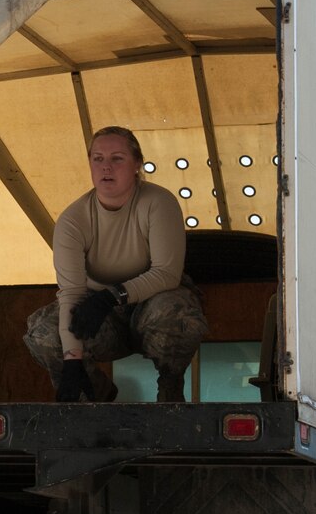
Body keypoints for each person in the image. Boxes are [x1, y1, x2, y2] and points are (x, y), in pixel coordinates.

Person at [23, 125, 207, 403]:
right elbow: (71, 294)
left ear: (137, 165)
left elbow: (166, 274)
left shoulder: (158, 202)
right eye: (98, 159)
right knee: (45, 333)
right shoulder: (73, 220)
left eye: (117, 158)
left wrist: (113, 296)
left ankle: (170, 390)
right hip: (101, 315)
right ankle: (94, 392)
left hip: (151, 304)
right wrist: (72, 360)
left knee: (177, 314)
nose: (106, 167)